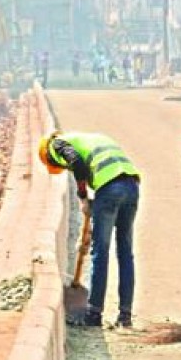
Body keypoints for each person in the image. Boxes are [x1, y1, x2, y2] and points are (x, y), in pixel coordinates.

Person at [39, 131, 141, 327]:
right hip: (131, 186)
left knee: (100, 252)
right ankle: (125, 316)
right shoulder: (93, 139)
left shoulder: (56, 145)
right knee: (125, 252)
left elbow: (77, 164)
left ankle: (93, 314)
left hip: (110, 188)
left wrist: (83, 197)